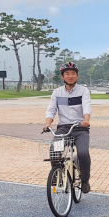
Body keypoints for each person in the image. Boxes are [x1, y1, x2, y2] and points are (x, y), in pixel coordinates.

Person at [44, 61, 92, 193]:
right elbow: (51, 109)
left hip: (80, 129)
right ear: (62, 76)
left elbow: (87, 106)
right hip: (63, 130)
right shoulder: (57, 92)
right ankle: (57, 175)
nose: (70, 76)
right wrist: (48, 124)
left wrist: (86, 120)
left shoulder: (83, 91)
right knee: (54, 151)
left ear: (77, 76)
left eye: (73, 73)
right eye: (67, 73)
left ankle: (85, 180)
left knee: (83, 153)